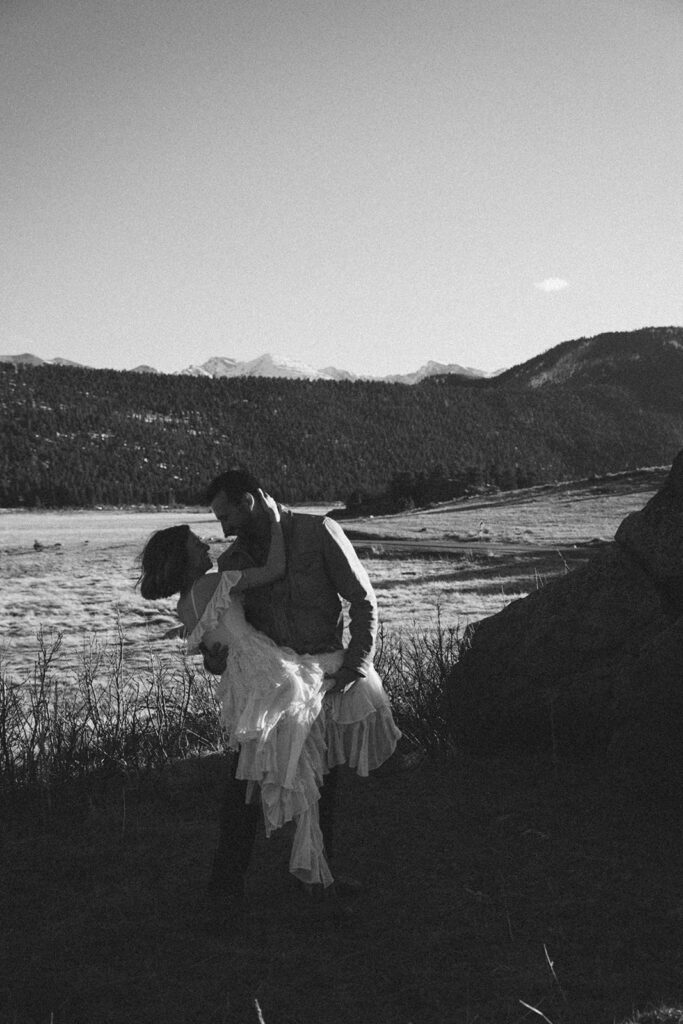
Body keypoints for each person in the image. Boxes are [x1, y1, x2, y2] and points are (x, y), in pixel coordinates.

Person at [201, 469, 400, 924]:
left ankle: (316, 878)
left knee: (322, 781)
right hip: (272, 688)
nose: (223, 527)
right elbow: (231, 632)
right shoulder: (232, 561)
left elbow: (363, 598)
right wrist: (215, 659)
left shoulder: (318, 531)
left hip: (326, 675)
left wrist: (356, 663)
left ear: (250, 500)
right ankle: (224, 891)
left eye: (225, 514)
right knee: (245, 784)